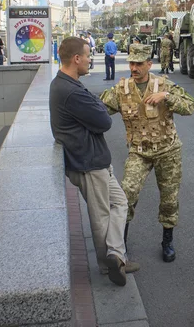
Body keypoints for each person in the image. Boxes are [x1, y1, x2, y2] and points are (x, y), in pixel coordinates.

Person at [49, 36, 139, 286]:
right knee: (101, 215)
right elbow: (104, 120)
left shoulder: (65, 84)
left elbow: (97, 112)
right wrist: (98, 109)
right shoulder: (70, 91)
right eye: (88, 55)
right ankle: (108, 264)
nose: (91, 60)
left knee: (120, 203)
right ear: (76, 59)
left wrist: (97, 108)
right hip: (88, 163)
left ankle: (115, 254)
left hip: (91, 160)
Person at [100, 44, 194, 262]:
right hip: (139, 152)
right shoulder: (122, 90)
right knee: (126, 195)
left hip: (167, 150)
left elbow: (190, 106)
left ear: (149, 65)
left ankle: (167, 241)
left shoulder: (163, 85)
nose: (134, 68)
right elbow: (98, 109)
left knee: (169, 199)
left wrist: (167, 97)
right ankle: (120, 244)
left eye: (139, 64)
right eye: (131, 63)